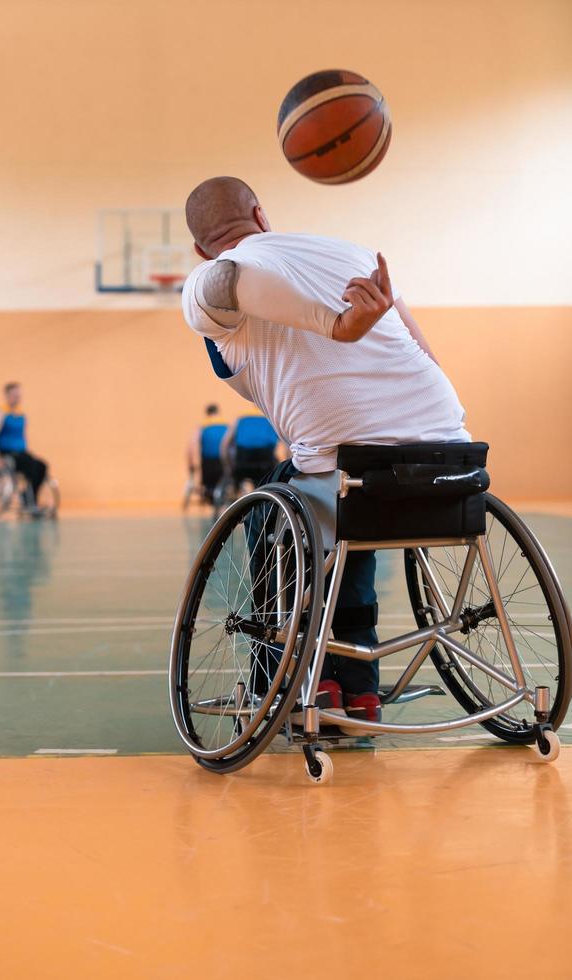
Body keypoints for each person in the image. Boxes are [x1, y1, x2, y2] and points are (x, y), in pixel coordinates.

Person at [181, 175, 470, 723]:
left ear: (200, 248)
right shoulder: (356, 254)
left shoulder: (210, 284)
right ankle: (358, 687)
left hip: (346, 477)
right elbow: (423, 351)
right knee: (349, 504)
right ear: (261, 214)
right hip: (454, 463)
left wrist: (338, 327)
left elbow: (225, 278)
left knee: (281, 510)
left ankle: (282, 683)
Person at [0, 382, 48, 511]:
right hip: (6, 453)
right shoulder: (0, 413)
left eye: (19, 395)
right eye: (14, 395)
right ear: (7, 395)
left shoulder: (21, 415)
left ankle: (28, 497)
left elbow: (22, 436)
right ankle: (28, 500)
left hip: (21, 453)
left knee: (42, 466)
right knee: (31, 466)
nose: (17, 398)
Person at [220, 409, 280, 489]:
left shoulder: (241, 419)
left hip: (243, 461)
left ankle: (237, 493)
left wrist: (228, 466)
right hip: (265, 462)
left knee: (237, 482)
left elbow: (225, 444)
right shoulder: (271, 418)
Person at [187, 404, 228, 503]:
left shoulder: (202, 427)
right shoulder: (226, 426)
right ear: (217, 413)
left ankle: (209, 493)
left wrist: (192, 464)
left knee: (208, 484)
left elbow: (193, 445)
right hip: (222, 462)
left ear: (207, 414)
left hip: (207, 463)